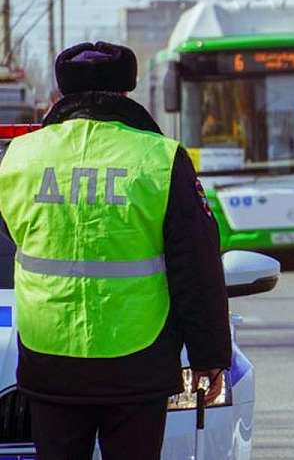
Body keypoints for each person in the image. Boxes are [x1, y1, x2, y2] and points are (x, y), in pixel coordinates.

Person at [0, 42, 231, 460]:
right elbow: (195, 264)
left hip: (49, 356)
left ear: (62, 94)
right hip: (137, 362)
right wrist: (209, 357)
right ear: (126, 93)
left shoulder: (20, 157)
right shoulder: (159, 159)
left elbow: (10, 235)